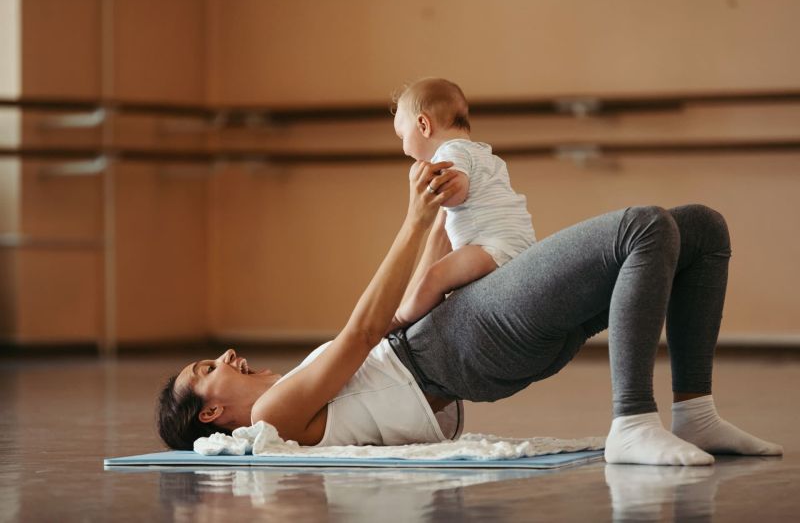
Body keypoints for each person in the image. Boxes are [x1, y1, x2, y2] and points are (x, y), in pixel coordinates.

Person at [158, 163, 783, 468]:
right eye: (208, 368)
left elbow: (397, 316)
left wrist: (445, 215)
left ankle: (695, 415)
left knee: (699, 229)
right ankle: (633, 421)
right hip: (463, 343)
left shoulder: (290, 393)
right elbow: (367, 330)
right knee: (641, 227)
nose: (226, 356)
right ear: (209, 413)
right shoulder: (271, 417)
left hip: (467, 345)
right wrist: (414, 217)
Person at [390, 78, 536, 328]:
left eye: (402, 136)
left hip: (491, 247)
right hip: (514, 245)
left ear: (423, 125)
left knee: (435, 276)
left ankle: (399, 319)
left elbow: (456, 191)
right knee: (448, 280)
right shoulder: (481, 152)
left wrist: (424, 187)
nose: (404, 149)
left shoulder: (450, 153)